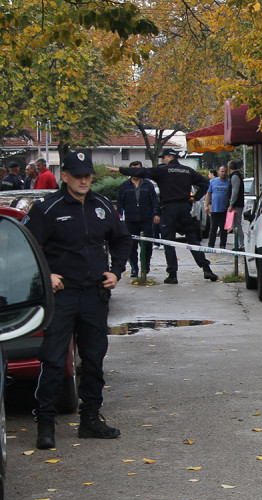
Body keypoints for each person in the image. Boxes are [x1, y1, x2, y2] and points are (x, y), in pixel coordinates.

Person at [25, 150, 131, 449]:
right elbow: (30, 247)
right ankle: (45, 424)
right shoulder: (48, 208)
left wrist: (117, 271)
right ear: (65, 176)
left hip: (94, 294)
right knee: (54, 361)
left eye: (88, 175)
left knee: (94, 358)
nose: (84, 180)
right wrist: (46, 275)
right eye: (78, 175)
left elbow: (121, 239)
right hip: (63, 294)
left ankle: (91, 419)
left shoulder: (101, 206)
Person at [110, 148, 217, 283]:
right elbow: (205, 183)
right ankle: (206, 268)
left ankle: (172, 275)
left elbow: (142, 172)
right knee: (193, 240)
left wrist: (120, 170)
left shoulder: (162, 170)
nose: (161, 160)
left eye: (163, 157)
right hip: (184, 208)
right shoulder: (187, 170)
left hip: (169, 209)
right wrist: (195, 197)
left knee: (168, 242)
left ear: (170, 157)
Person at [116, 160, 160, 278]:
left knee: (147, 245)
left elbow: (155, 200)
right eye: (133, 169)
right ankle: (134, 268)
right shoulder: (124, 186)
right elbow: (120, 203)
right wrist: (119, 217)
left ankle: (145, 266)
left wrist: (156, 214)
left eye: (138, 169)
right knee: (131, 246)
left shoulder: (148, 185)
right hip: (130, 220)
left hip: (146, 218)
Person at [206, 164, 229, 248]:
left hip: (224, 209)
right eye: (222, 171)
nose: (223, 173)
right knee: (213, 228)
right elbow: (208, 194)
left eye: (225, 172)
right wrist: (206, 205)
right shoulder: (213, 181)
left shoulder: (229, 182)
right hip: (215, 209)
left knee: (224, 229)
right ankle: (211, 245)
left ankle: (223, 245)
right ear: (219, 172)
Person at [226, 160, 245, 251]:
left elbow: (235, 191)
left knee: (237, 225)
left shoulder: (235, 176)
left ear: (229, 167)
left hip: (236, 205)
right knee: (236, 224)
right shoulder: (238, 175)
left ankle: (240, 244)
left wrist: (231, 204)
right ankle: (239, 243)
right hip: (238, 204)